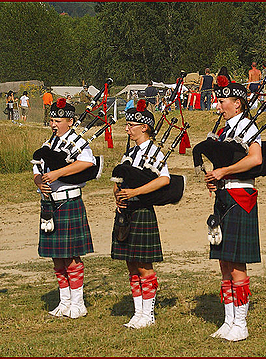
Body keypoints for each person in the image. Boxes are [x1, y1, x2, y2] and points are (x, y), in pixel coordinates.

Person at [203, 77, 262, 342]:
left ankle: (241, 323)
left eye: (223, 101)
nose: (219, 106)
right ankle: (229, 320)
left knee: (237, 263)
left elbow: (255, 158)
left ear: (237, 103)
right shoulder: (225, 130)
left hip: (241, 197)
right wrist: (215, 178)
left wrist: (224, 171)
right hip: (224, 195)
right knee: (224, 261)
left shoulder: (248, 126)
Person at [33, 98, 96, 319]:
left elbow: (87, 164)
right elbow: (38, 168)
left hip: (69, 201)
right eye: (51, 119)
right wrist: (39, 181)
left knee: (70, 256)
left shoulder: (78, 142)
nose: (53, 124)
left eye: (58, 120)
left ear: (70, 121)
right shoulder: (49, 143)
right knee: (56, 256)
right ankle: (64, 301)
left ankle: (78, 304)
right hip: (50, 202)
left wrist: (58, 173)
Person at [111, 99, 170, 329]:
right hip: (126, 211)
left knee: (144, 265)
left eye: (131, 125)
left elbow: (164, 179)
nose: (127, 129)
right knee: (131, 264)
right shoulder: (130, 152)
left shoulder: (154, 152)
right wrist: (117, 195)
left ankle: (149, 314)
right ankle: (138, 313)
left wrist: (135, 191)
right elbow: (117, 179)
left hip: (143, 209)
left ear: (144, 127)